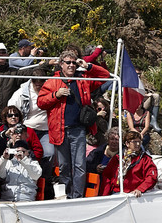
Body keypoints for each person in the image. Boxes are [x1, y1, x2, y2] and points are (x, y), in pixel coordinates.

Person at [36, 46, 112, 199]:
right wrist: (56, 95)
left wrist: (88, 65)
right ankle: (66, 196)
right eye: (68, 63)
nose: (71, 65)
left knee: (80, 166)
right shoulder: (53, 81)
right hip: (60, 130)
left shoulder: (83, 79)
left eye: (73, 63)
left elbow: (105, 76)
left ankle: (76, 197)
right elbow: (41, 102)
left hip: (78, 130)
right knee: (64, 167)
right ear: (61, 64)